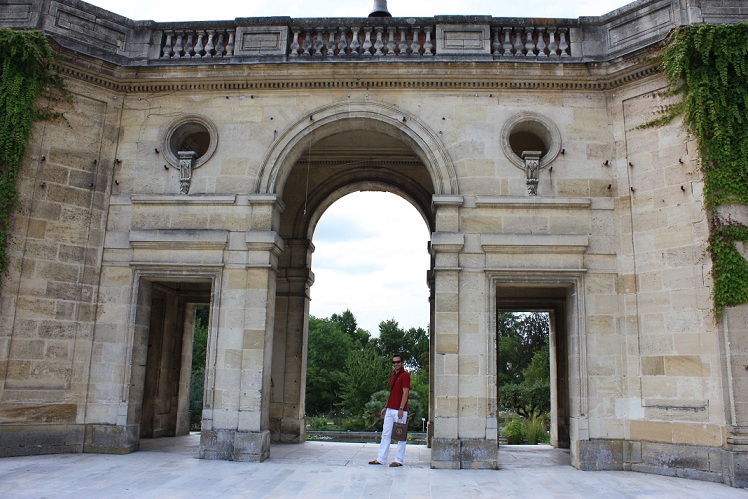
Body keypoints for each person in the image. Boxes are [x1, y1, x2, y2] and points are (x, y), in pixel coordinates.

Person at [369, 353, 410, 467]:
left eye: (398, 362)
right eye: (394, 362)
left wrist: (401, 408)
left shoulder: (405, 375)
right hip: (390, 409)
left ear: (402, 363)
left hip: (399, 410)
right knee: (386, 434)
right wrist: (386, 406)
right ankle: (381, 459)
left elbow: (405, 392)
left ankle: (399, 460)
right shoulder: (393, 376)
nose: (396, 364)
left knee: (400, 435)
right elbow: (393, 393)